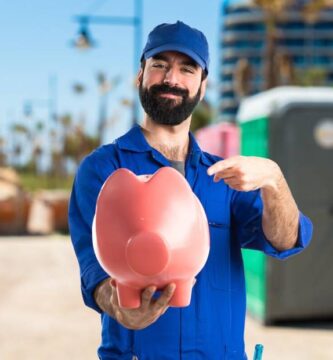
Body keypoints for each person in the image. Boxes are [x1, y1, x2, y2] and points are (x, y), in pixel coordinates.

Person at [69, 21, 313, 360]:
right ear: (140, 74)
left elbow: (285, 239)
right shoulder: (104, 170)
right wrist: (122, 310)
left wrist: (274, 180)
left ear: (202, 85)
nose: (171, 79)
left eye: (187, 69)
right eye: (159, 65)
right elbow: (94, 269)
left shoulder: (225, 177)